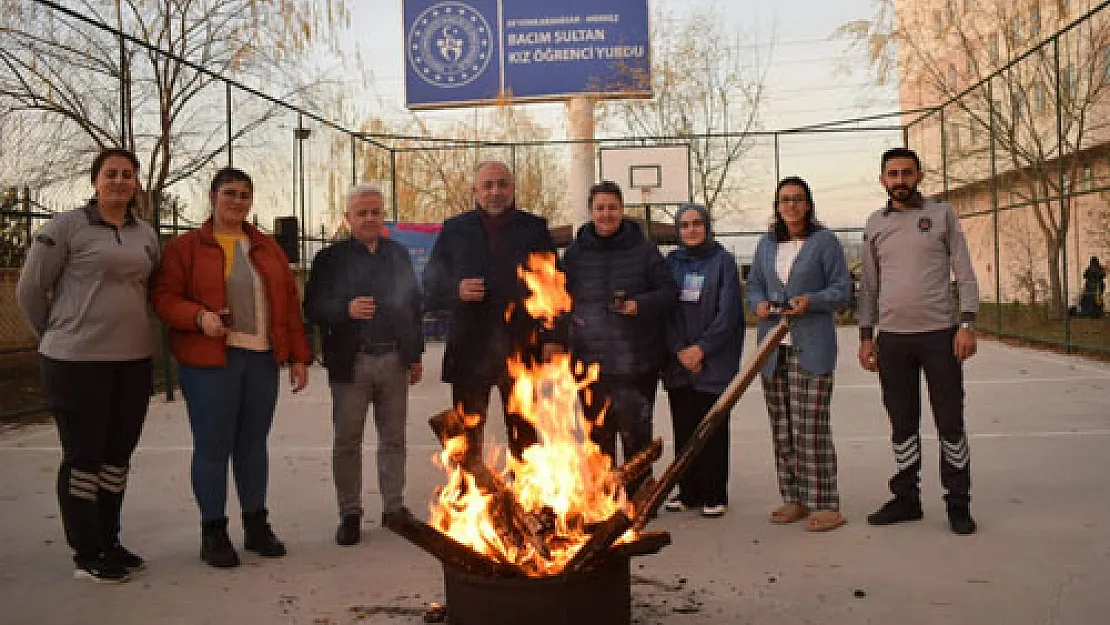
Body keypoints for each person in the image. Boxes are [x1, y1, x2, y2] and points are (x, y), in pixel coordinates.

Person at [153, 167, 311, 567]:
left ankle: (257, 526)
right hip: (210, 361)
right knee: (212, 447)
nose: (237, 201)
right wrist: (197, 316)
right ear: (212, 196)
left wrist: (297, 356)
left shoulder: (268, 248)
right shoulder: (185, 247)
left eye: (244, 195)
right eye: (230, 194)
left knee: (253, 445)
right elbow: (164, 297)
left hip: (260, 359)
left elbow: (289, 305)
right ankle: (214, 531)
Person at [16, 148, 159, 583]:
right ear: (95, 180)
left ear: (136, 183)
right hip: (76, 363)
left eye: (128, 175)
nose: (119, 181)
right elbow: (29, 290)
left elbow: (149, 288)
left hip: (133, 361)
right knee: (84, 457)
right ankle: (87, 549)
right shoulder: (66, 228)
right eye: (111, 173)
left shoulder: (146, 234)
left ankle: (110, 539)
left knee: (117, 455)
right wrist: (56, 337)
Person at [858, 147, 980, 535]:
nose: (899, 180)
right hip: (892, 339)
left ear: (918, 176)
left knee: (950, 422)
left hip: (940, 337)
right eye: (892, 174)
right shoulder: (875, 223)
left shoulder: (941, 215)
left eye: (906, 173)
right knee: (902, 422)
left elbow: (965, 273)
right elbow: (869, 286)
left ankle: (958, 504)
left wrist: (967, 324)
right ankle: (906, 499)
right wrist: (866, 335)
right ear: (882, 180)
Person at [304, 183, 424, 546]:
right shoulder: (329, 259)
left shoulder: (398, 255)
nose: (370, 218)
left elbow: (414, 308)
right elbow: (311, 308)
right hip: (351, 363)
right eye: (362, 213)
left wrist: (414, 354)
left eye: (375, 212)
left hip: (394, 360)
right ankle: (350, 513)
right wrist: (345, 310)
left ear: (383, 215)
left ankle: (394, 508)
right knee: (347, 440)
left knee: (394, 439)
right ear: (348, 218)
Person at [423, 161, 556, 459]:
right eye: (488, 185)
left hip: (521, 347)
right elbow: (430, 286)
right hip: (470, 349)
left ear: (512, 189)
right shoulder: (454, 229)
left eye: (502, 184)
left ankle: (526, 498)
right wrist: (455, 290)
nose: (495, 192)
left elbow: (554, 287)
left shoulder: (535, 228)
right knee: (466, 436)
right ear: (475, 191)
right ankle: (469, 495)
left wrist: (552, 337)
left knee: (525, 434)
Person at [746, 177, 852, 532]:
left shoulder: (824, 243)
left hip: (812, 346)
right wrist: (758, 303)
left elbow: (842, 290)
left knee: (812, 427)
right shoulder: (765, 245)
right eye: (784, 200)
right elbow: (754, 286)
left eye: (797, 199)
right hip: (773, 347)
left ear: (808, 205)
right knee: (783, 427)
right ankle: (794, 497)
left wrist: (812, 301)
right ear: (777, 207)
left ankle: (825, 502)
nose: (790, 205)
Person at [562, 181, 677, 493]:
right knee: (597, 435)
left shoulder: (645, 250)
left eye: (612, 207)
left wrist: (640, 305)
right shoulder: (574, 255)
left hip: (638, 360)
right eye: (600, 208)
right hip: (590, 362)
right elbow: (559, 300)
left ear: (622, 209)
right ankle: (603, 498)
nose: (606, 214)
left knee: (636, 434)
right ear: (591, 211)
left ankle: (640, 496)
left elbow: (668, 293)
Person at [661, 204, 744, 518]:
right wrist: (681, 350)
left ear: (707, 227)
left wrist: (701, 349)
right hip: (678, 363)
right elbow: (666, 312)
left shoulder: (722, 262)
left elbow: (728, 315)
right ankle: (688, 492)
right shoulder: (671, 264)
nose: (691, 230)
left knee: (712, 429)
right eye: (685, 225)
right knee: (684, 429)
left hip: (713, 362)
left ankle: (714, 493)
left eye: (697, 223)